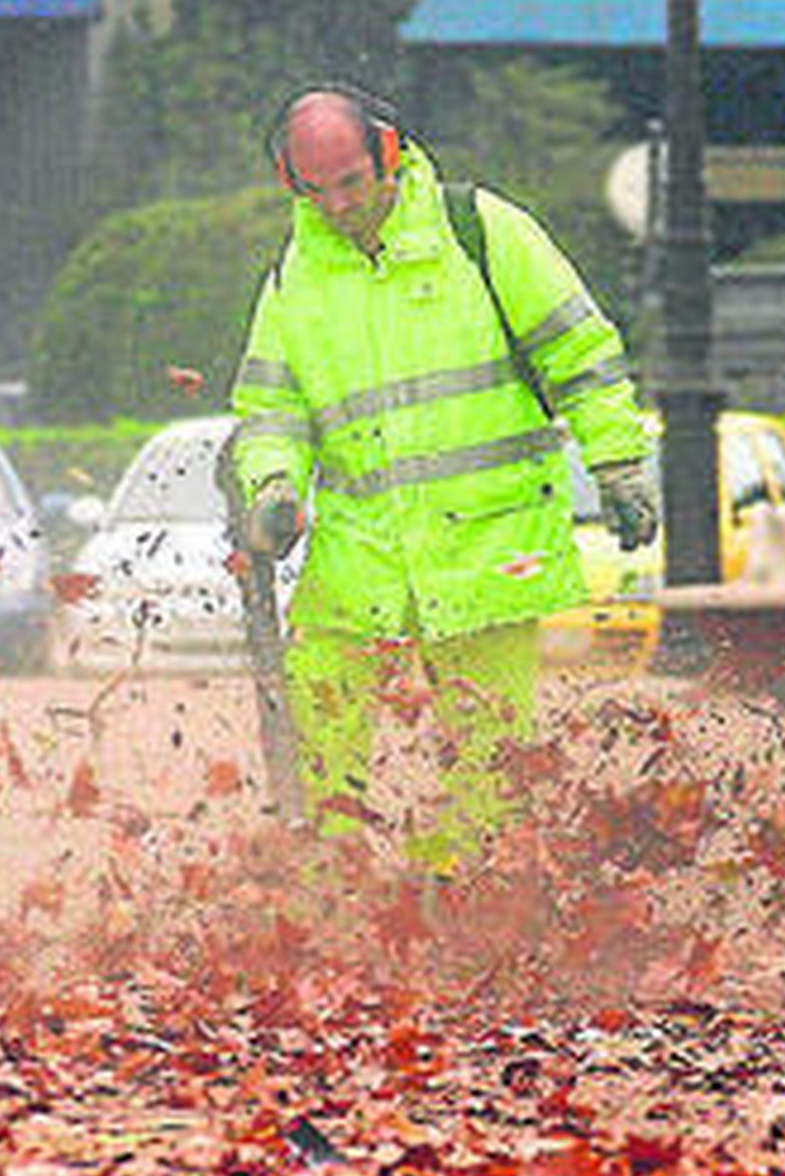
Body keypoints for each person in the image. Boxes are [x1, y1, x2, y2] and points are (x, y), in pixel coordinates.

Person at [232, 84, 656, 863]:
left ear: (389, 153)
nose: (338, 205)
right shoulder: (294, 279)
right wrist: (274, 485)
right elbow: (271, 409)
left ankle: (462, 897)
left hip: (487, 544)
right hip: (359, 552)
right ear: (290, 183)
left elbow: (580, 354)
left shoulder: (482, 230)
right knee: (319, 729)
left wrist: (618, 462)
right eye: (315, 190)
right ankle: (333, 893)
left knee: (489, 758)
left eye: (351, 182)